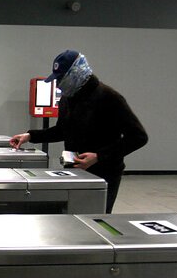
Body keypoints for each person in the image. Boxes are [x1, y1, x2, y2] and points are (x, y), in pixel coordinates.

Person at [10, 50, 147, 213]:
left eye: (62, 79)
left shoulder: (109, 98)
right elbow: (62, 130)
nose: (59, 84)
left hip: (104, 174)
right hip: (74, 170)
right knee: (72, 218)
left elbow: (138, 137)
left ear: (77, 73)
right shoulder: (68, 99)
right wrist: (30, 135)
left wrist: (98, 156)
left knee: (95, 220)